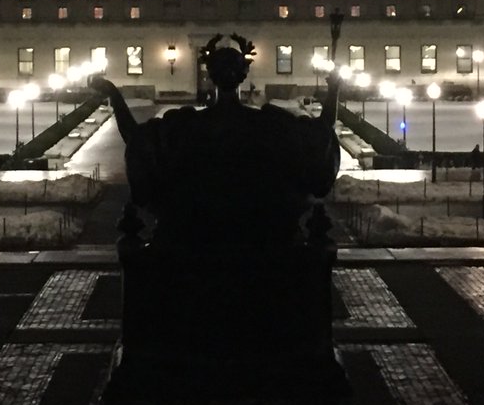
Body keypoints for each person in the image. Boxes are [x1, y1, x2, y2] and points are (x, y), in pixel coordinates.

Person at [91, 33, 341, 250]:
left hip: (191, 244)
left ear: (210, 76)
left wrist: (114, 94)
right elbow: (321, 139)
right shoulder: (271, 124)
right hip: (265, 244)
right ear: (244, 75)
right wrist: (334, 93)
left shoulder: (184, 126)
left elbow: (137, 141)